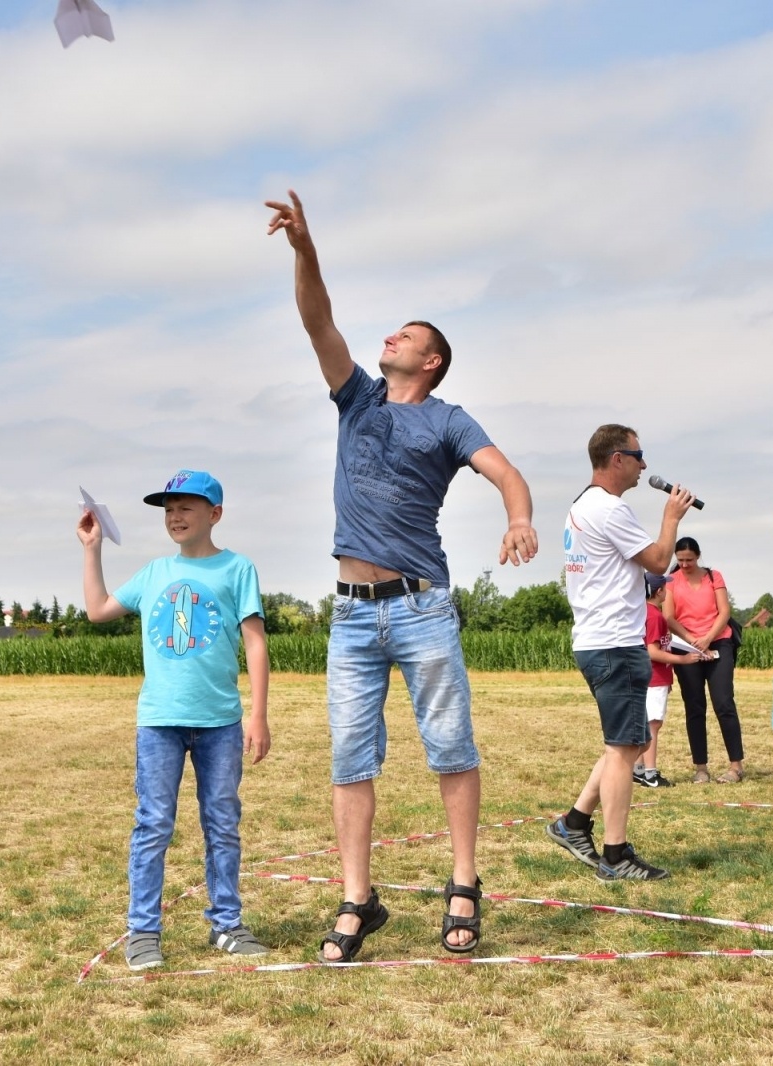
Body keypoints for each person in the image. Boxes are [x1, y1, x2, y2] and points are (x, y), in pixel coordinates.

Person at [265, 191, 538, 960]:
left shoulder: (449, 420)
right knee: (350, 760)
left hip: (422, 609)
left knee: (450, 747)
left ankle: (463, 884)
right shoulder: (356, 399)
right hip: (351, 615)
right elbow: (319, 321)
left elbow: (506, 471)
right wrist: (304, 250)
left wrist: (518, 517)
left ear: (432, 359)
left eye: (406, 335)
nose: (391, 337)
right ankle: (359, 900)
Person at [77, 470, 271, 970]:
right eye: (168, 510)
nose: (176, 517)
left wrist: (258, 713)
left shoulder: (237, 569)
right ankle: (143, 932)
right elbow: (97, 610)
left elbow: (255, 642)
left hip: (221, 723)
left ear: (215, 514)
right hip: (159, 722)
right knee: (153, 824)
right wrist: (91, 548)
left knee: (222, 824)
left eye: (187, 507)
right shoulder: (154, 574)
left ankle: (226, 925)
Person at [549, 424, 694, 880]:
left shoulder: (580, 506)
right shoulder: (610, 509)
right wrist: (671, 518)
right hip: (614, 642)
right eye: (638, 455)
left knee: (623, 745)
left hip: (600, 640)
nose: (644, 465)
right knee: (624, 747)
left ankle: (573, 823)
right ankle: (615, 856)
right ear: (616, 458)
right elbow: (656, 561)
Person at [664, 537, 744, 783]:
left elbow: (725, 611)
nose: (685, 564)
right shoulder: (671, 581)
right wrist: (692, 640)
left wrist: (708, 638)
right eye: (680, 560)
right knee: (695, 706)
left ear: (698, 556)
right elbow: (668, 616)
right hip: (686, 646)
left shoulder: (713, 576)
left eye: (689, 559)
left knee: (724, 703)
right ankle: (701, 768)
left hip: (718, 641)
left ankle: (736, 766)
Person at [635, 573, 702, 788]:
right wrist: (683, 659)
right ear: (659, 591)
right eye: (665, 587)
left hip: (654, 678)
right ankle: (650, 774)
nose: (667, 591)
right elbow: (653, 652)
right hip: (653, 679)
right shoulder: (654, 616)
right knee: (653, 725)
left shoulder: (645, 612)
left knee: (646, 725)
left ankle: (637, 770)